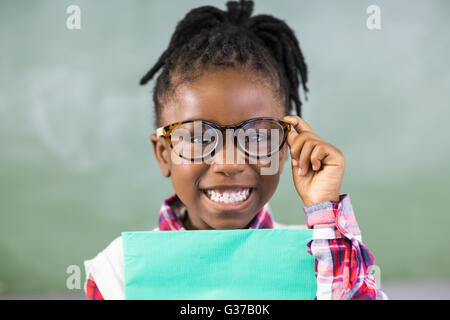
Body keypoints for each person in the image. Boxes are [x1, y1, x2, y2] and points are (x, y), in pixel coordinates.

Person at [84, 0, 387, 300]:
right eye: (201, 139)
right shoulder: (119, 272)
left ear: (283, 149)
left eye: (256, 138)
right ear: (164, 154)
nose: (229, 163)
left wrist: (325, 213)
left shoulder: (322, 256)